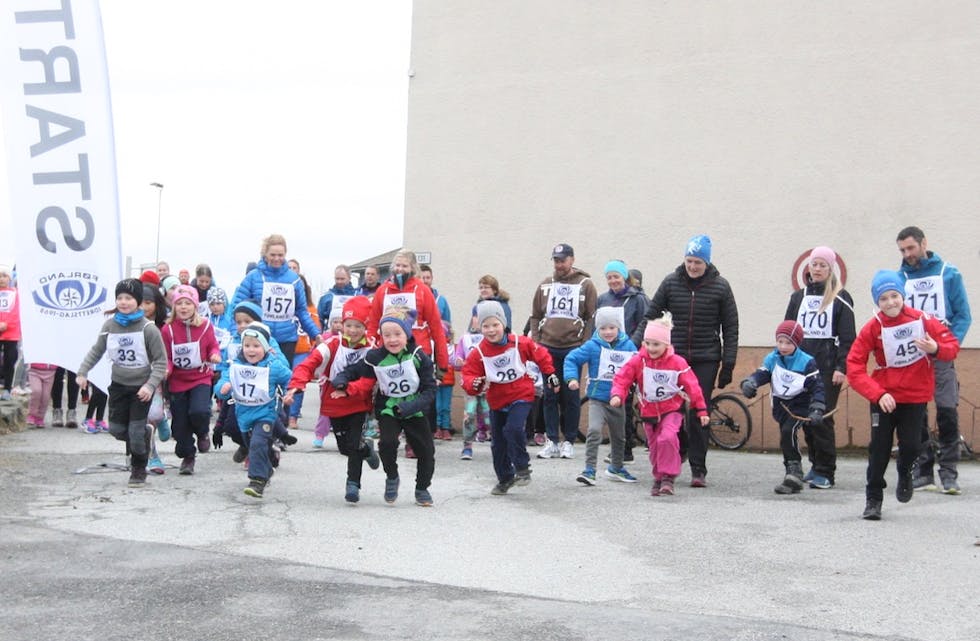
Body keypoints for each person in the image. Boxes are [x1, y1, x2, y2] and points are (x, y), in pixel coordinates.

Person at [847, 270, 959, 520]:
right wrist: (877, 394)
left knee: (911, 445)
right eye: (884, 298)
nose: (890, 303)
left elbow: (952, 347)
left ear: (903, 295)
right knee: (879, 448)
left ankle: (905, 470)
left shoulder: (923, 320)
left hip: (914, 396)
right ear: (878, 302)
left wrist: (936, 348)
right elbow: (854, 367)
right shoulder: (872, 327)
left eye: (894, 296)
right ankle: (873, 499)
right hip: (884, 398)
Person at [632, 234, 739, 487]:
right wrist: (635, 343)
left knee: (698, 412)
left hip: (705, 357)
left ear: (707, 263)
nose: (692, 267)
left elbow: (731, 327)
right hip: (673, 357)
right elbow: (651, 314)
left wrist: (729, 363)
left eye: (698, 263)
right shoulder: (671, 282)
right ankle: (678, 451)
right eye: (689, 261)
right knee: (673, 410)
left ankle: (698, 468)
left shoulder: (721, 286)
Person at [332, 307, 437, 506]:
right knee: (387, 444)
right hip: (389, 408)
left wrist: (411, 407)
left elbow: (430, 390)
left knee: (426, 451)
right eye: (387, 335)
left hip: (415, 409)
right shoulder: (375, 357)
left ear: (407, 334)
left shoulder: (418, 356)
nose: (392, 340)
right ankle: (392, 476)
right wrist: (341, 382)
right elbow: (355, 371)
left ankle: (422, 488)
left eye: (397, 334)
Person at [895, 226, 972, 494]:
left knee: (947, 411)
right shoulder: (899, 278)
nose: (907, 254)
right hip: (912, 358)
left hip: (939, 354)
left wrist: (948, 346)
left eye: (911, 248)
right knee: (917, 415)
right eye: (903, 250)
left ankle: (949, 472)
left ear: (923, 243)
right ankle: (923, 470)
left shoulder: (948, 273)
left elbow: (963, 315)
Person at [284, 296, 380, 503]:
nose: (353, 331)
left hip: (359, 403)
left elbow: (368, 381)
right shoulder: (332, 345)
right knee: (345, 447)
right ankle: (367, 449)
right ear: (342, 325)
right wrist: (296, 385)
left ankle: (353, 484)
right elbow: (308, 364)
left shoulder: (372, 349)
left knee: (353, 445)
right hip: (335, 403)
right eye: (349, 325)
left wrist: (350, 390)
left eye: (358, 326)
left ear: (366, 327)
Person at [76, 278, 168, 487]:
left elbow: (161, 362)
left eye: (128, 298)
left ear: (138, 301)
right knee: (116, 430)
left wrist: (150, 385)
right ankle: (145, 434)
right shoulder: (110, 326)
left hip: (141, 388)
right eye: (120, 298)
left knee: (134, 431)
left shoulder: (148, 329)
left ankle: (138, 469)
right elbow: (96, 350)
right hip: (118, 385)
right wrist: (83, 372)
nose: (124, 302)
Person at [461, 301, 559, 495]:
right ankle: (505, 478)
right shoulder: (479, 352)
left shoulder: (519, 342)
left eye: (495, 325)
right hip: (497, 399)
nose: (490, 330)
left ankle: (522, 467)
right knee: (497, 443)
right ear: (480, 327)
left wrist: (550, 374)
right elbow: (468, 374)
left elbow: (540, 354)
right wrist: (474, 383)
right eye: (485, 326)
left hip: (521, 394)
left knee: (513, 428)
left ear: (503, 324)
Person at [612, 311, 709, 497]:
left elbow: (692, 386)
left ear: (666, 344)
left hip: (671, 408)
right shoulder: (638, 361)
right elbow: (622, 377)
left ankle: (668, 477)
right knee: (655, 445)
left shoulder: (677, 362)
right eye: (647, 343)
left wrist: (701, 409)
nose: (651, 348)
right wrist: (618, 394)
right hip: (648, 409)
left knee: (668, 437)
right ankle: (658, 476)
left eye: (656, 344)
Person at [783, 246, 855, 489]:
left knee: (821, 419)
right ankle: (814, 465)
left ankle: (826, 471)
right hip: (802, 369)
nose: (817, 269)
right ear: (809, 267)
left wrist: (841, 367)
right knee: (805, 418)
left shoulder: (842, 298)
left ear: (830, 268)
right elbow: (788, 333)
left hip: (827, 369)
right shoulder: (798, 298)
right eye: (814, 264)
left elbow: (847, 338)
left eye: (823, 265)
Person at [528, 243, 598, 460]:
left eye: (563, 260)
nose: (559, 264)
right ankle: (551, 440)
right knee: (550, 395)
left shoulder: (586, 285)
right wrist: (537, 343)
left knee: (570, 396)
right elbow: (535, 316)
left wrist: (584, 345)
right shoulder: (545, 285)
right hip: (548, 347)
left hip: (572, 349)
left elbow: (591, 317)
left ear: (572, 260)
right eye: (556, 260)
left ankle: (568, 440)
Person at [741, 321, 826, 495]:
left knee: (789, 431)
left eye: (788, 343)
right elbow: (763, 373)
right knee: (786, 437)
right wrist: (751, 382)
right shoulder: (773, 358)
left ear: (796, 343)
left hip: (800, 405)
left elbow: (817, 386)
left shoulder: (807, 362)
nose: (783, 346)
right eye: (780, 342)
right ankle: (791, 468)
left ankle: (794, 473)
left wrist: (817, 406)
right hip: (781, 406)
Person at [215, 322, 293, 498]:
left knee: (258, 443)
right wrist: (223, 388)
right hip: (243, 415)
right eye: (247, 345)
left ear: (265, 347)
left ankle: (257, 481)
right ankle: (265, 469)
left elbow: (289, 378)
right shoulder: (236, 366)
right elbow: (221, 385)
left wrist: (289, 393)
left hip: (265, 413)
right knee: (253, 446)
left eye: (256, 346)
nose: (251, 350)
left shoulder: (272, 365)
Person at [564, 307, 638, 485]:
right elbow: (571, 359)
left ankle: (616, 467)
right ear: (597, 329)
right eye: (603, 328)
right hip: (597, 398)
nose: (607, 332)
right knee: (594, 430)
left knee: (619, 436)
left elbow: (639, 366)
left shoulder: (628, 346)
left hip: (618, 399)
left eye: (612, 327)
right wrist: (572, 378)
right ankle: (589, 470)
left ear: (619, 327)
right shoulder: (592, 346)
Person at [230, 234, 321, 366]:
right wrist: (236, 332)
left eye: (280, 255)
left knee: (283, 378)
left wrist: (316, 334)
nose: (277, 259)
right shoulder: (253, 277)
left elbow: (302, 311)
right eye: (272, 255)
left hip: (287, 340)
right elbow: (236, 308)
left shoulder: (294, 279)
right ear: (265, 254)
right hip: (259, 339)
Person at [161, 285, 222, 475]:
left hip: (200, 377)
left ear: (195, 306)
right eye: (179, 303)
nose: (184, 307)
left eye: (188, 303)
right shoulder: (167, 329)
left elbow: (213, 346)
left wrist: (214, 355)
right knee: (180, 425)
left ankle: (203, 432)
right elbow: (167, 357)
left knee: (200, 411)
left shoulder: (205, 326)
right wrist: (166, 369)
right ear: (174, 307)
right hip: (178, 380)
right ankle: (188, 457)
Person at [597, 259, 649, 462]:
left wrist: (632, 344)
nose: (613, 281)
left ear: (624, 277)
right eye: (609, 277)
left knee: (624, 402)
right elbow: (598, 326)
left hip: (630, 355)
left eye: (616, 276)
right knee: (612, 400)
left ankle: (624, 448)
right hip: (608, 356)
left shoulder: (638, 299)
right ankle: (621, 446)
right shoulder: (603, 299)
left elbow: (646, 323)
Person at [366, 250, 450, 374]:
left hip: (418, 351)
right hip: (389, 351)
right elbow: (373, 324)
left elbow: (436, 327)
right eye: (397, 265)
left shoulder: (423, 291)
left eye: (405, 266)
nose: (400, 269)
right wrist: (370, 353)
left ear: (413, 268)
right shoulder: (382, 291)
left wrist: (442, 364)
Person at [140, 280, 172, 475]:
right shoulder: (130, 324)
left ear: (157, 304)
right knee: (146, 419)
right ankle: (153, 456)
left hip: (159, 377)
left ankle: (162, 420)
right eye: (140, 302)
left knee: (155, 414)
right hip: (136, 378)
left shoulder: (165, 327)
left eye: (148, 303)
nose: (143, 307)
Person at [287, 274, 320, 428]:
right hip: (286, 347)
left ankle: (293, 416)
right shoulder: (285, 308)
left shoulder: (310, 308)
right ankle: (282, 413)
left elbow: (315, 328)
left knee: (298, 380)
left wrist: (314, 344)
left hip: (302, 350)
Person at [453, 328, 490, 458]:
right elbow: (457, 358)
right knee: (470, 413)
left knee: (488, 415)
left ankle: (498, 443)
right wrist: (459, 361)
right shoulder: (465, 338)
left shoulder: (490, 337)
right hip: (471, 383)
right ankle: (467, 446)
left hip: (488, 383)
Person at [0, 264, 21, 400]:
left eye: (4, 276)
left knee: (9, 361)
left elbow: (17, 312)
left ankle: (7, 388)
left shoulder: (16, 293)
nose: (1, 279)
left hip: (11, 333)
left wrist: (6, 324)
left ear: (9, 278)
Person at [317, 265, 356, 333]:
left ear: (349, 278)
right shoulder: (326, 297)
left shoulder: (357, 296)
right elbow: (319, 320)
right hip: (330, 335)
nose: (339, 282)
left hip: (353, 335)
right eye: (337, 279)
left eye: (342, 279)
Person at [419, 264, 452, 332]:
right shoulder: (414, 299)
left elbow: (448, 325)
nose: (425, 281)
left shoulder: (441, 300)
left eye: (428, 278)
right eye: (422, 278)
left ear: (432, 279)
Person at [26, 362, 58, 427]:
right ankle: (32, 414)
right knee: (36, 391)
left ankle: (40, 417)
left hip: (50, 370)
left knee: (45, 396)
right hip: (34, 370)